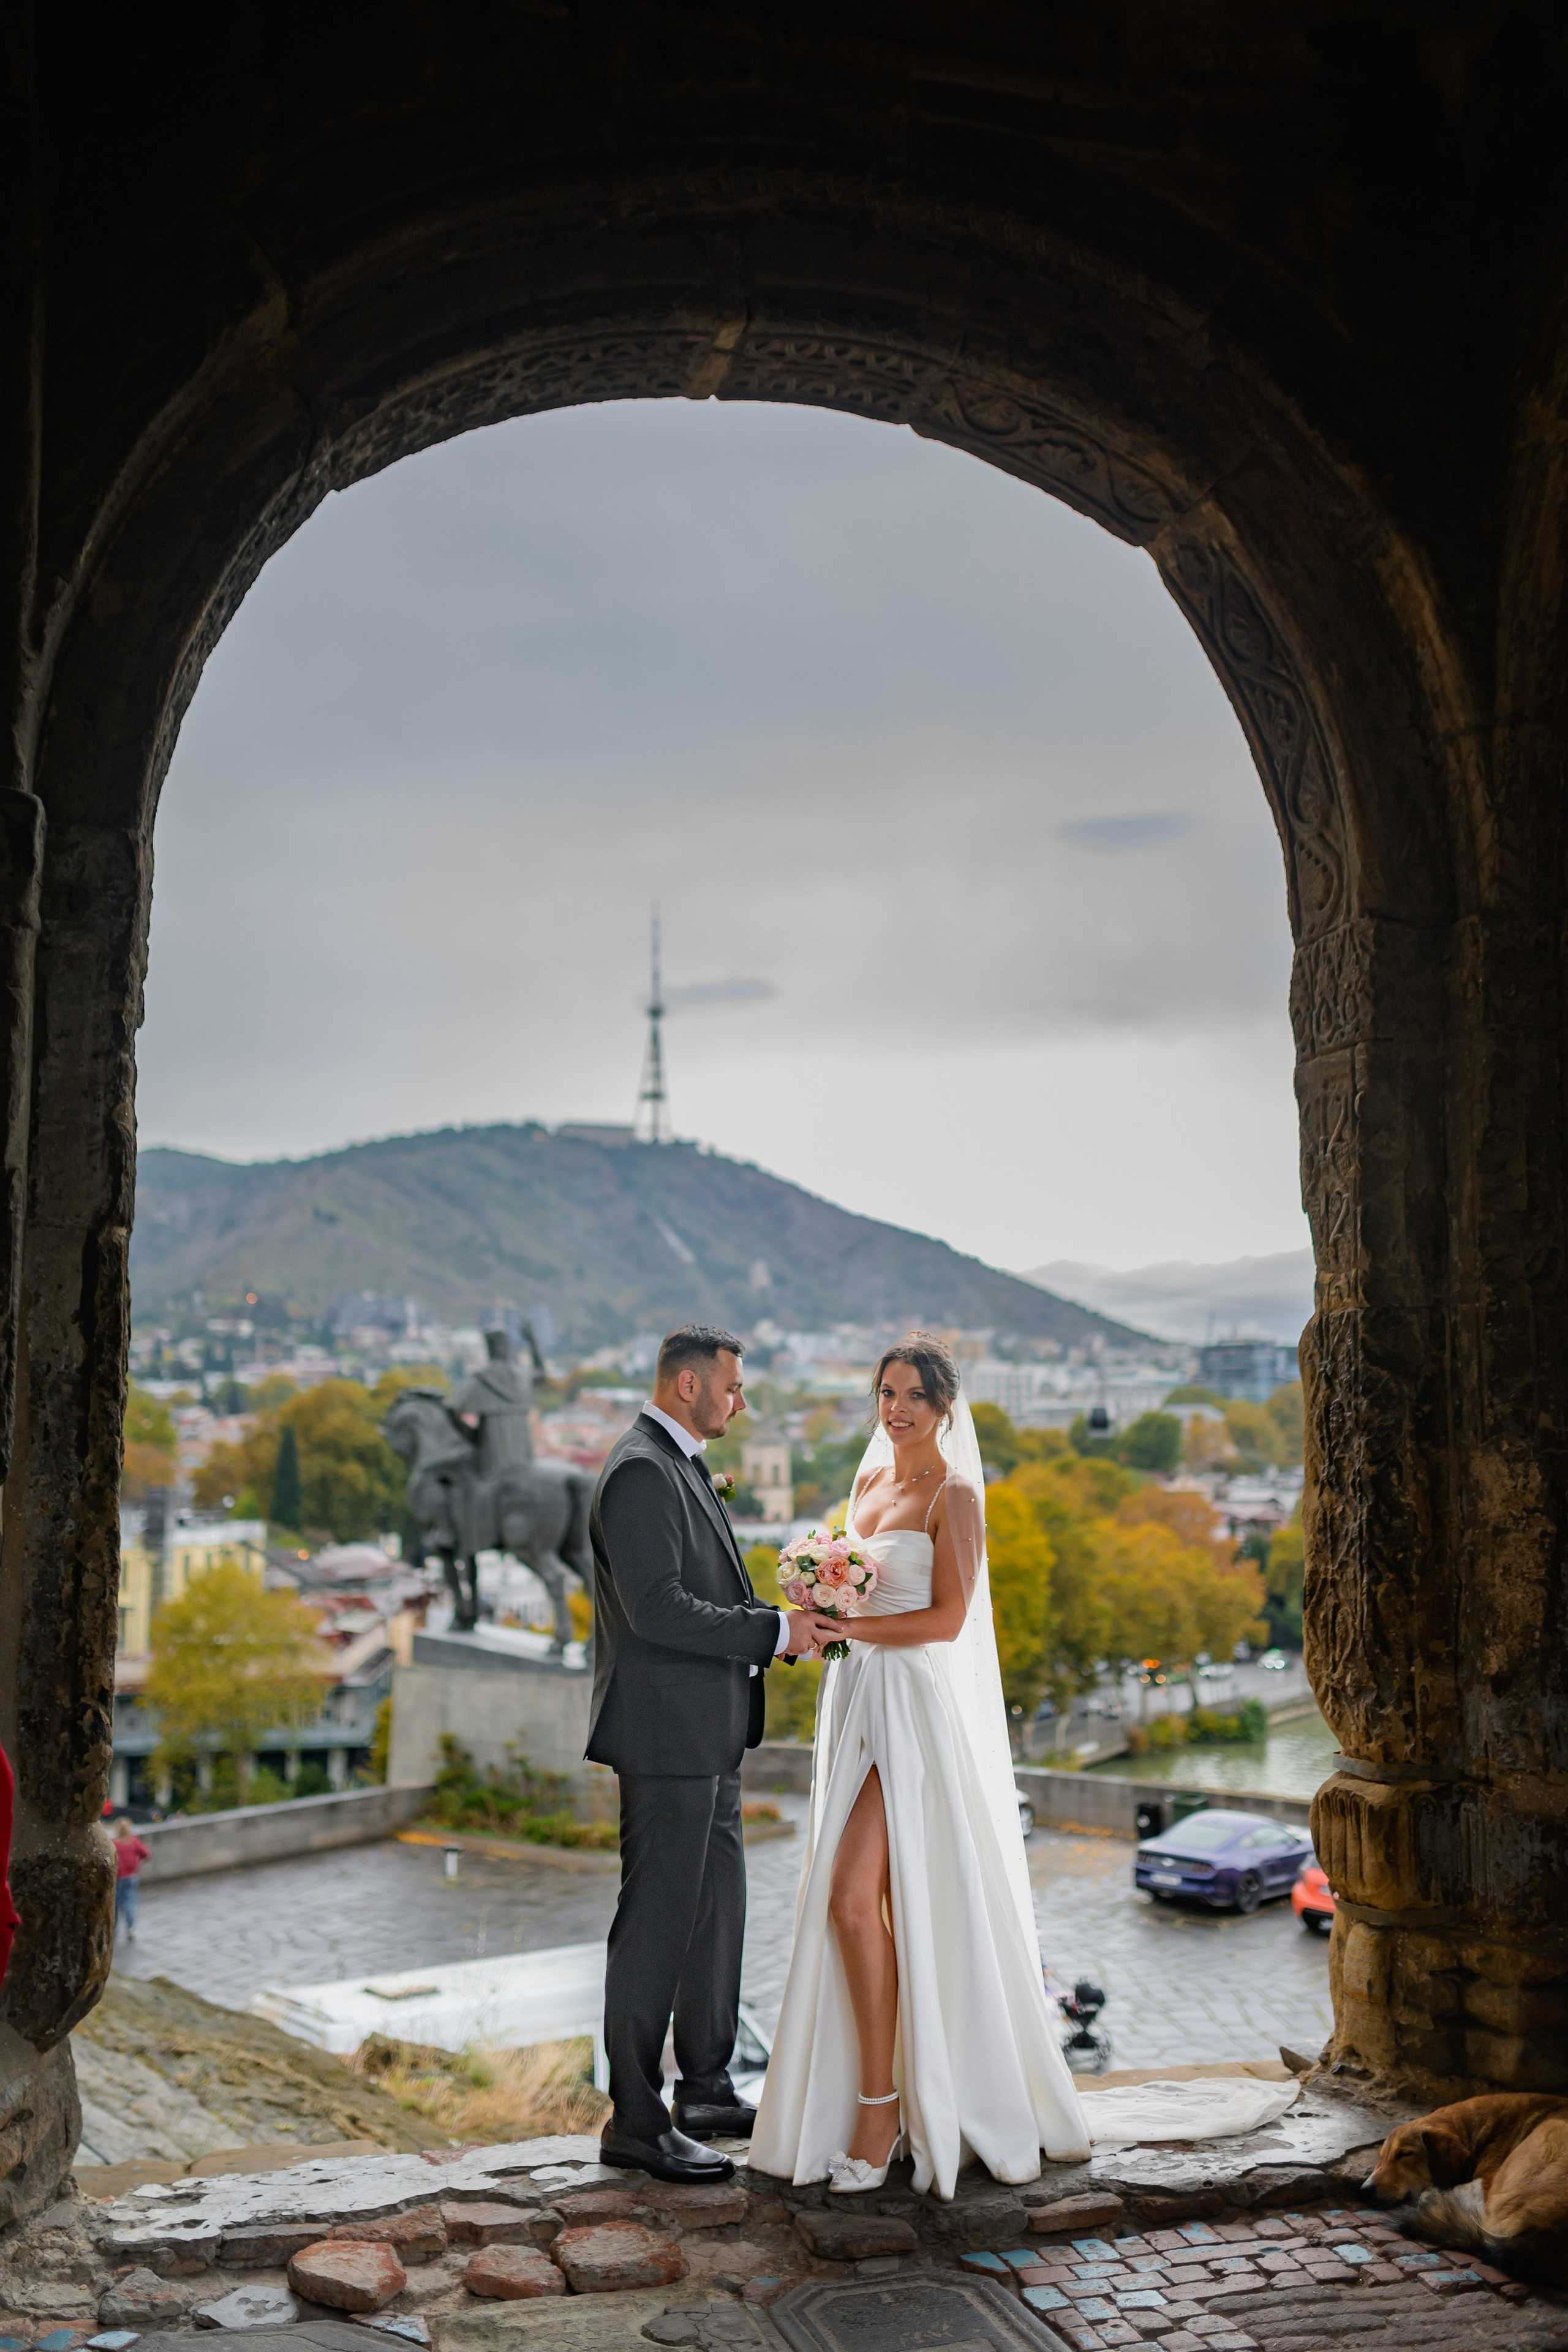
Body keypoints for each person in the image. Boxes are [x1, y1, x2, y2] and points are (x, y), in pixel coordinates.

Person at [749, 1332, 1093, 2199]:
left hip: (908, 1706)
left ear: (945, 1408)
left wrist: (847, 1627)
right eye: (885, 1392)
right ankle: (873, 2093)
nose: (895, 1409)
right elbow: (848, 1581)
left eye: (912, 1396)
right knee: (853, 1902)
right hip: (856, 1701)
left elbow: (947, 1621)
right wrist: (815, 1598)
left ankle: (883, 2103)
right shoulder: (866, 1483)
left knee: (849, 1899)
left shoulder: (958, 1495)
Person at [587, 1322, 836, 2185]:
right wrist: (773, 1631)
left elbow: (705, 1588)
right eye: (733, 1385)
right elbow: (658, 1610)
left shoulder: (680, 1464)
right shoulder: (639, 1472)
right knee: (656, 1923)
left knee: (714, 1916)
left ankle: (705, 2086)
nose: (743, 1400)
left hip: (712, 1733)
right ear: (688, 1385)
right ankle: (636, 2119)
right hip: (665, 1738)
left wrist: (790, 1610)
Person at [112, 1816, 151, 1942]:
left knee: (115, 1904)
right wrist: (138, 1862)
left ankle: (114, 1929)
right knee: (130, 1903)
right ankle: (131, 1929)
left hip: (118, 1878)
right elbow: (146, 1854)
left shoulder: (114, 1844)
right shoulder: (134, 1841)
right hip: (131, 1877)